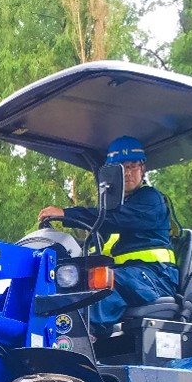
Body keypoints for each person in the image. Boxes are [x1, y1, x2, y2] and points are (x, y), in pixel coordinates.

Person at [37, 135, 178, 333]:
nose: (128, 173)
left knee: (104, 284)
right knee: (70, 281)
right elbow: (98, 239)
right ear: (111, 175)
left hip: (154, 276)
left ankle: (78, 336)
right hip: (132, 278)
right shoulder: (113, 208)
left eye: (132, 166)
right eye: (121, 168)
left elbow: (113, 219)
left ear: (142, 168)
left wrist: (67, 214)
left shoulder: (150, 200)